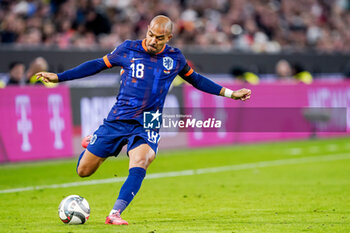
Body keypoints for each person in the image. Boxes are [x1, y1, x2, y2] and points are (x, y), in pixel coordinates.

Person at [36, 15, 251, 226]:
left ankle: (115, 213)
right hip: (118, 118)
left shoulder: (175, 58)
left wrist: (231, 94)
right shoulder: (127, 49)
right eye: (150, 34)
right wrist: (59, 76)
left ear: (169, 37)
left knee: (141, 161)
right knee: (83, 171)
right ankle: (93, 139)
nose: (152, 41)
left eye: (159, 38)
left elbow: (197, 80)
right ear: (146, 29)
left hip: (149, 120)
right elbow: (96, 65)